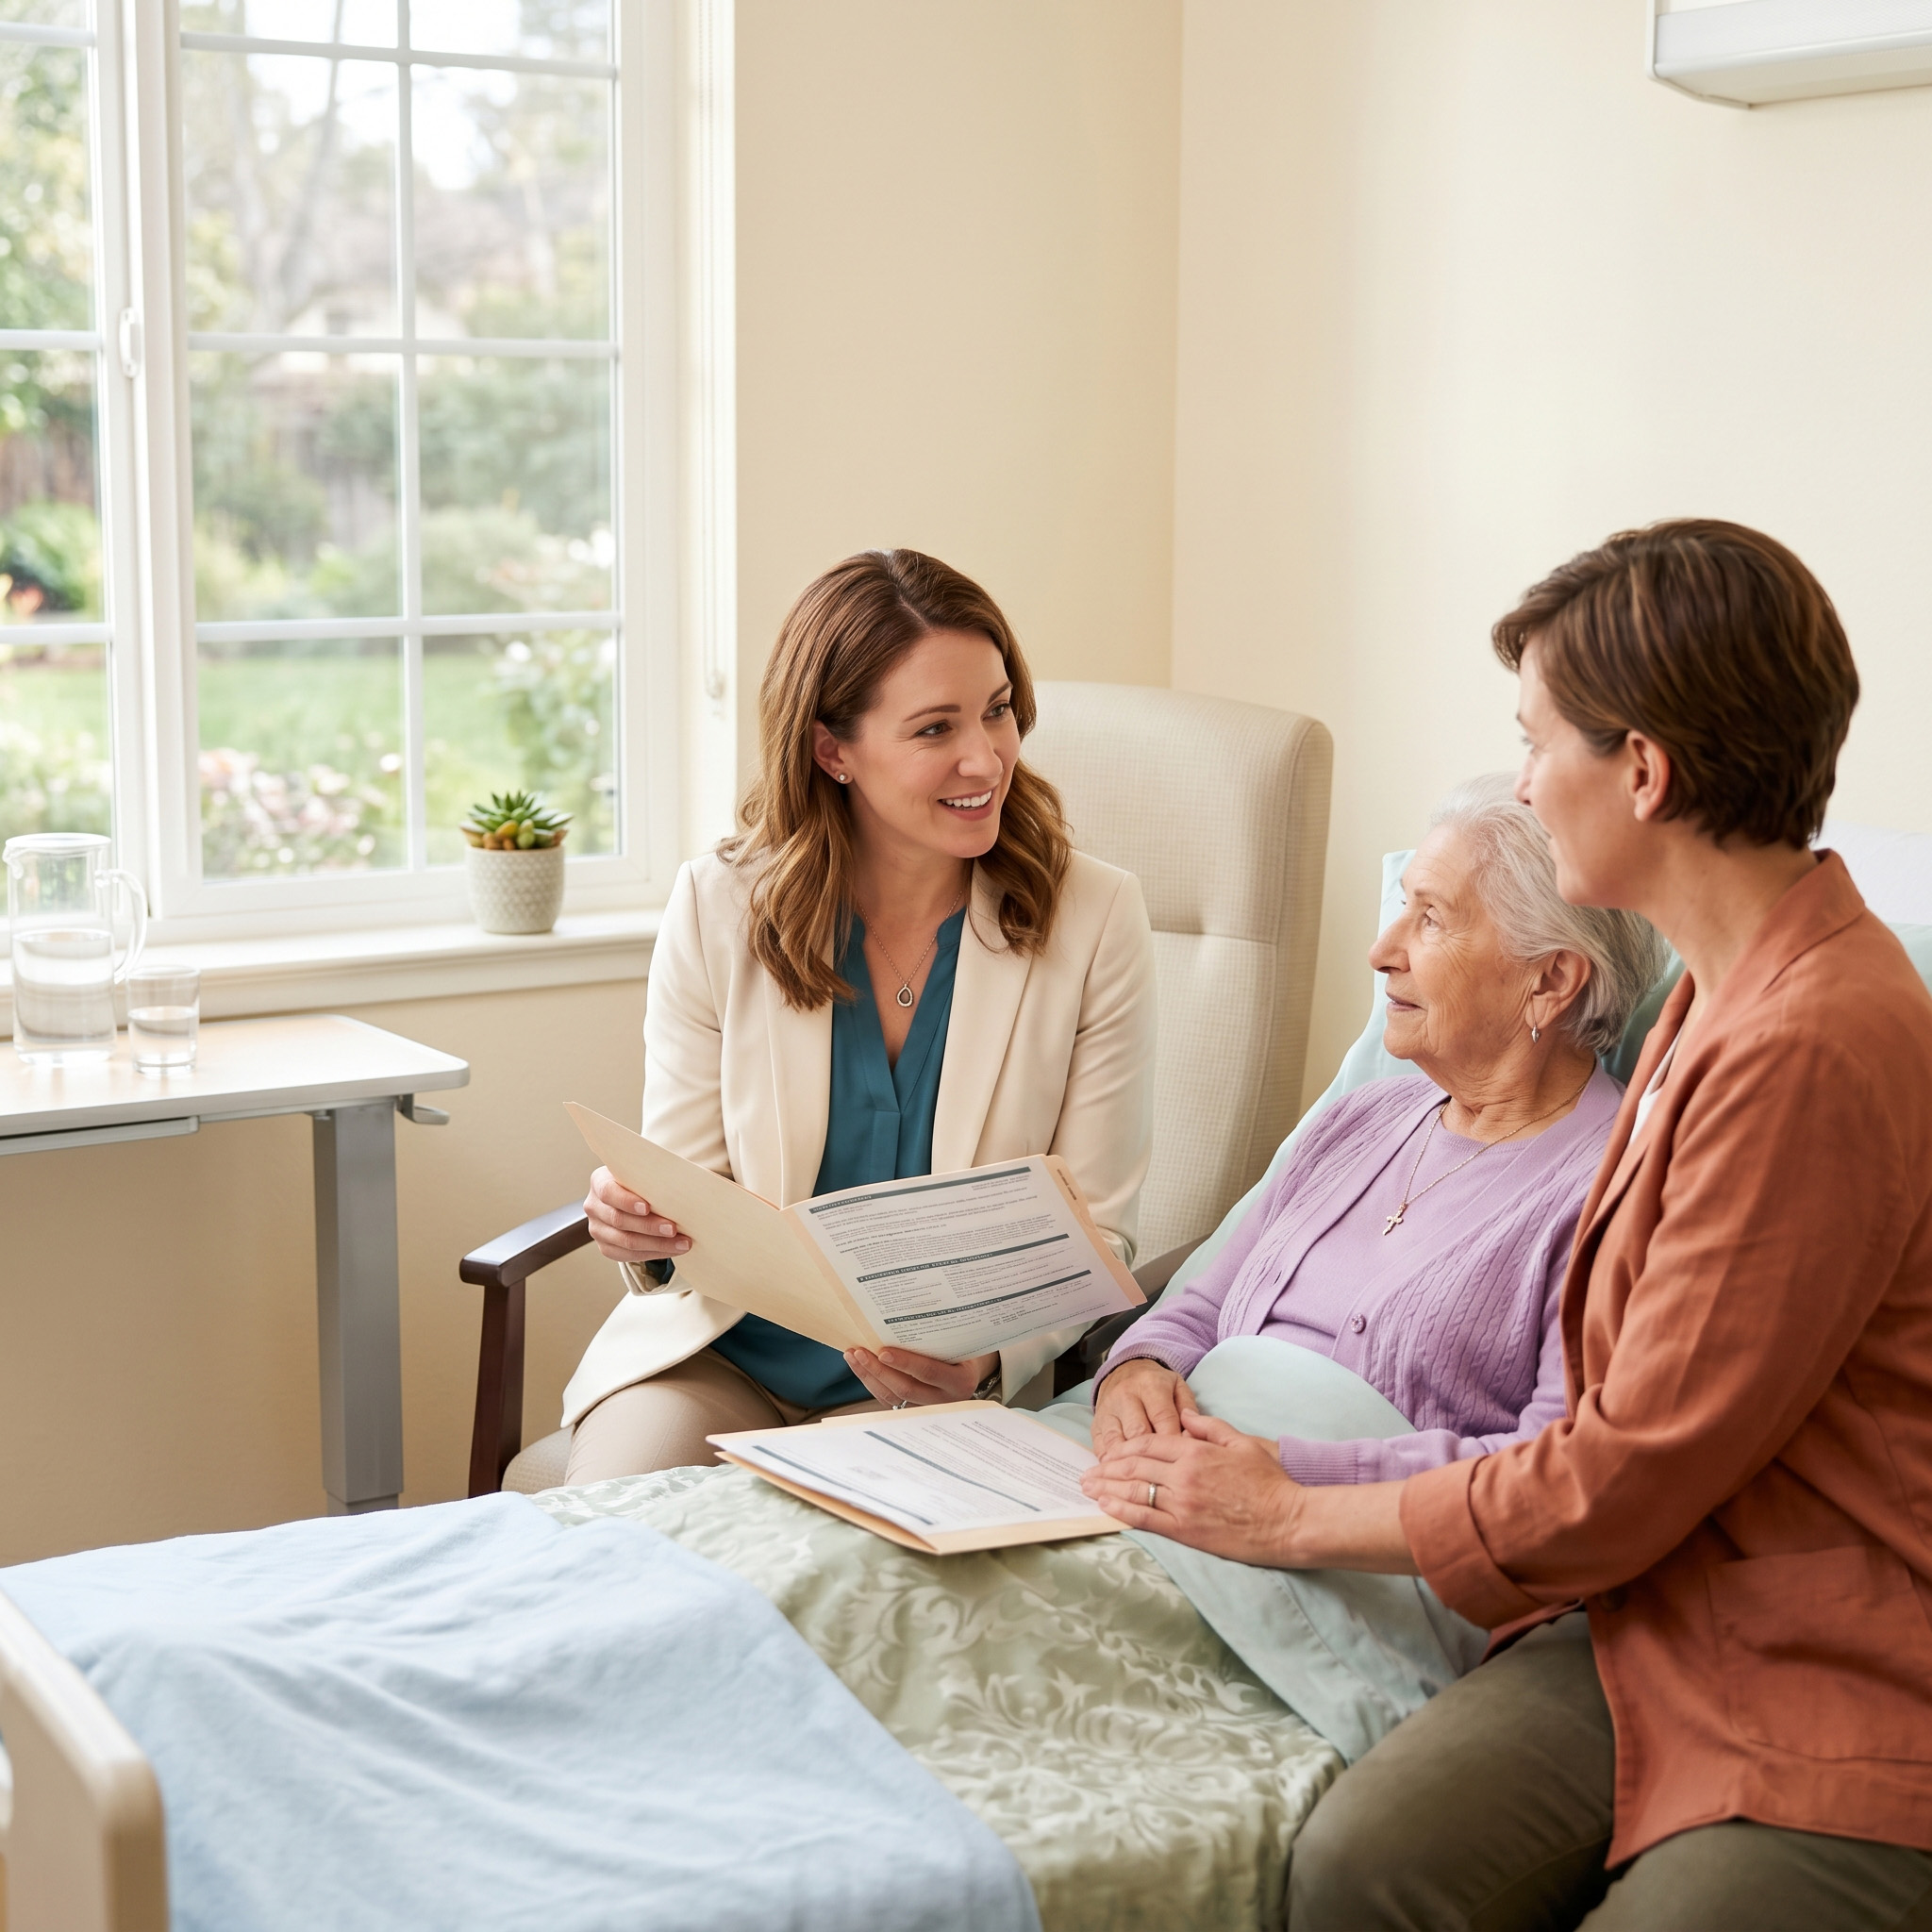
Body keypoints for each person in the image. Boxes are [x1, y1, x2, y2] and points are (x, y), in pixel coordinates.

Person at [1083, 520, 1932, 1930]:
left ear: (1644, 773)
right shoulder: (1707, 1005)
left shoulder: (1818, 1041)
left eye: (1540, 746)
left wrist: (1289, 1508)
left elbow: (1617, 1468)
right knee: (1366, 1863)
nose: (1527, 782)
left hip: (1810, 1657)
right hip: (1643, 1614)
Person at [557, 549, 1158, 1482]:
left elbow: (1101, 1231)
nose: (984, 757)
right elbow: (690, 1194)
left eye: (997, 708)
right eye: (933, 728)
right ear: (831, 749)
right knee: (617, 1527)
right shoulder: (718, 907)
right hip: (722, 1363)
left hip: (942, 1389)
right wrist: (642, 1229)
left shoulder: (1096, 916)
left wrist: (986, 1360)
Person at [1089, 774, 1663, 1497]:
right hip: (1156, 1476)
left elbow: (1550, 1466)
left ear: (1550, 980)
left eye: (1431, 919)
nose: (1381, 951)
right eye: (1403, 907)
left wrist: (1287, 1474)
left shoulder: (1614, 1190)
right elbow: (1195, 1307)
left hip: (1345, 1547)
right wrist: (1141, 1368)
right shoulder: (1356, 1121)